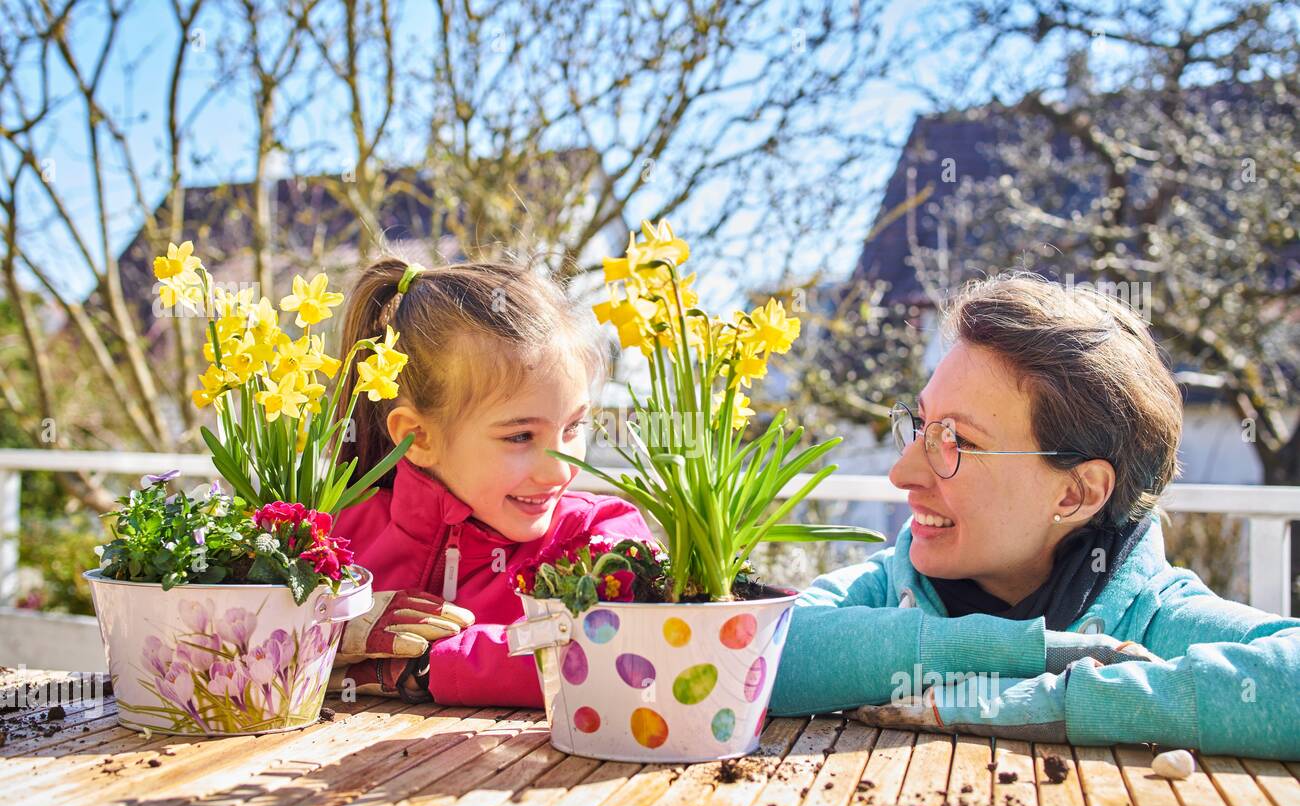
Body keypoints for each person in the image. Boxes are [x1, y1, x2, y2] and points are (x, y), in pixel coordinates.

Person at [768, 275, 1300, 760]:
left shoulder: (1150, 619)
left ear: (1076, 493)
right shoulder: (884, 587)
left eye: (957, 440)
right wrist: (1033, 652)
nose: (902, 474)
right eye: (922, 425)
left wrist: (1049, 701)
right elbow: (757, 654)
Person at [329, 258, 651, 706]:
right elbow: (220, 647)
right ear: (417, 438)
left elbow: (615, 651)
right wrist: (323, 631)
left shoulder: (596, 536)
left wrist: (424, 668)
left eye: (573, 427)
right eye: (521, 436)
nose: (559, 470)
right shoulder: (334, 537)